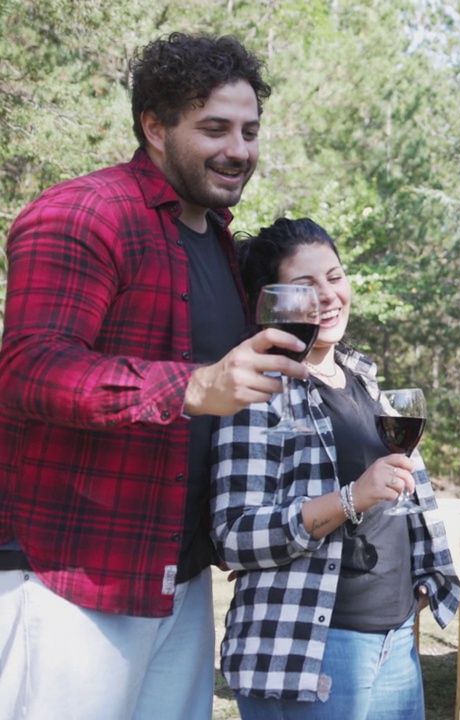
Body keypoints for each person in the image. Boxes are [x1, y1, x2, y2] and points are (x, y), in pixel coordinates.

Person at [0, 33, 302, 719]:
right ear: (155, 128)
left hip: (177, 573)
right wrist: (191, 389)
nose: (238, 149)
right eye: (214, 128)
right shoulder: (84, 213)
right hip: (72, 574)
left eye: (250, 130)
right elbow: (30, 368)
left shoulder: (217, 237)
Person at [212, 217, 460, 718]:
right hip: (311, 648)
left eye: (334, 277)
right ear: (274, 302)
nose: (327, 295)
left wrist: (418, 585)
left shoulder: (364, 380)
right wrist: (352, 498)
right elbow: (233, 536)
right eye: (305, 286)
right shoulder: (257, 387)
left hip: (393, 642)